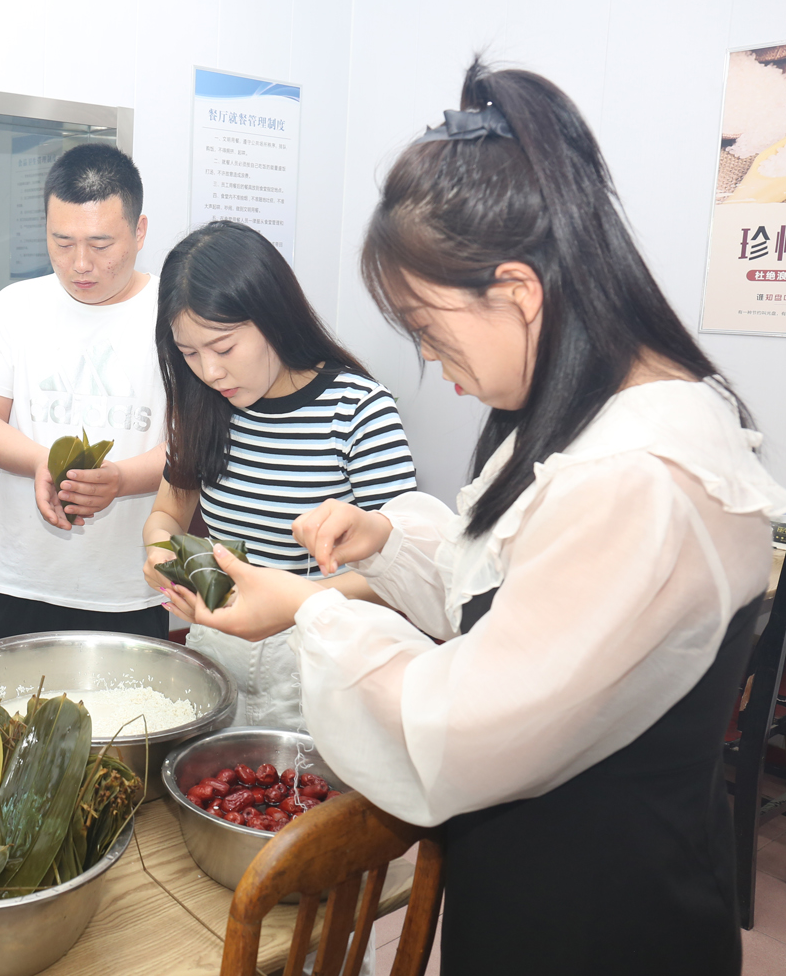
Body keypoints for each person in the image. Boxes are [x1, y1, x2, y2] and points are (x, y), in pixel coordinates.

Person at [184, 62, 786, 974]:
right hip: (538, 882)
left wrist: (314, 610)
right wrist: (389, 541)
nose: (433, 363)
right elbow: (529, 604)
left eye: (428, 329)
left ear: (516, 293)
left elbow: (463, 727)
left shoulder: (641, 475)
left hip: (603, 917)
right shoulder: (591, 409)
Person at [142, 220, 416, 729]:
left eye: (224, 348)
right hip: (216, 653)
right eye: (188, 353)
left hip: (321, 656)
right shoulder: (201, 407)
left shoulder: (357, 410)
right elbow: (166, 515)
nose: (209, 372)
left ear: (274, 318)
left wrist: (293, 602)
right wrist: (160, 552)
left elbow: (401, 572)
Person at [0, 144, 167, 648]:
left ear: (140, 231)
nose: (80, 264)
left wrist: (121, 479)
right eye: (62, 242)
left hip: (127, 589)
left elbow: (195, 444)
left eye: (101, 244)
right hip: (18, 579)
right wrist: (41, 462)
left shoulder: (174, 312)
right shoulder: (15, 306)